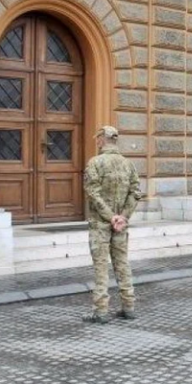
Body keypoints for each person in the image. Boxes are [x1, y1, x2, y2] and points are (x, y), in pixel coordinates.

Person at [82, 126, 142, 324]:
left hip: (101, 223)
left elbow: (93, 192)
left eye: (97, 139)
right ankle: (129, 306)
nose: (97, 142)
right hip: (120, 225)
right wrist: (122, 217)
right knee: (122, 263)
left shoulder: (95, 163)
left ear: (101, 140)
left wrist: (111, 217)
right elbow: (135, 193)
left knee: (101, 267)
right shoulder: (128, 164)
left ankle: (100, 311)